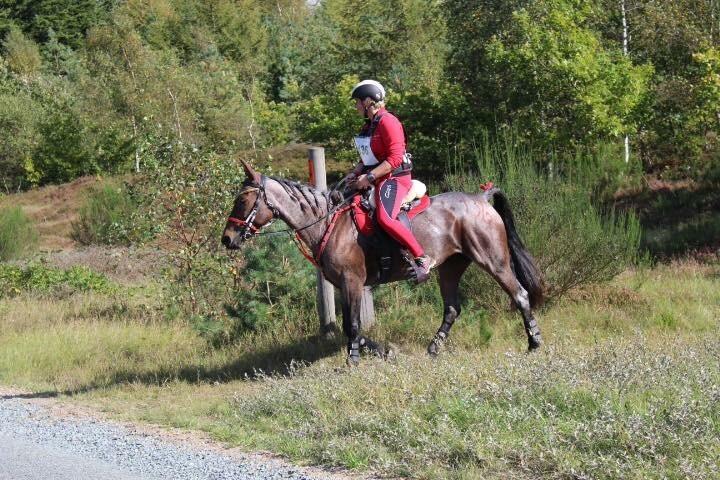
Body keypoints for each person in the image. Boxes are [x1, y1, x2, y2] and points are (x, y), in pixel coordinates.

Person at [347, 79, 433, 283]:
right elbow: (366, 159)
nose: (357, 106)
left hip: (395, 179)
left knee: (386, 218)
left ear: (369, 101)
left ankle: (422, 258)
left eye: (358, 102)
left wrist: (368, 177)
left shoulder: (389, 122)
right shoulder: (369, 127)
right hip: (377, 178)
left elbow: (394, 159)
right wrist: (354, 172)